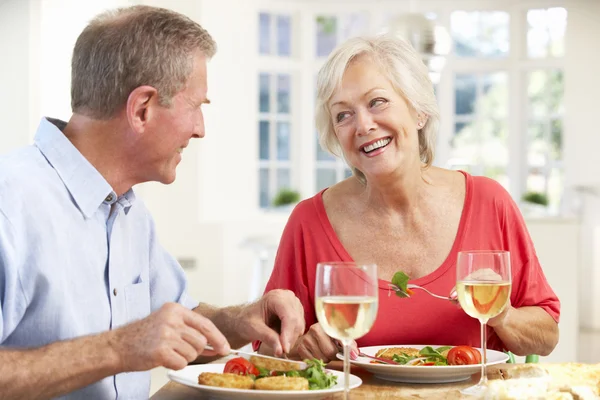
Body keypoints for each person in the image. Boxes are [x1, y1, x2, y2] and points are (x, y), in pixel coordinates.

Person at [0, 6, 305, 399]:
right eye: (196, 106)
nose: (200, 130)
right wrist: (118, 348)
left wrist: (239, 320)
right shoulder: (11, 203)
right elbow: (137, 340)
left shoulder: (128, 211)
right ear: (142, 108)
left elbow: (173, 324)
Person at [259, 34, 560, 362]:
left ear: (419, 111)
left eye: (377, 102)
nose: (363, 125)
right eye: (342, 115)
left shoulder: (490, 203)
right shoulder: (310, 222)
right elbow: (268, 350)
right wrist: (301, 351)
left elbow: (546, 337)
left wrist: (502, 314)